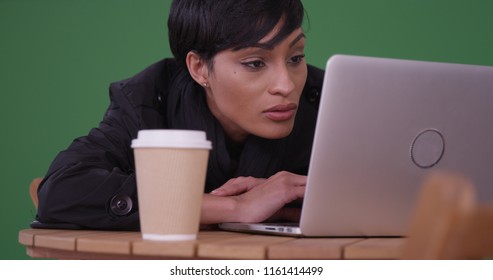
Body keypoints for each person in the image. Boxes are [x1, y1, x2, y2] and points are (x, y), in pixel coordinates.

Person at [36, 0, 324, 230]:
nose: (286, 85)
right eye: (255, 63)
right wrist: (234, 207)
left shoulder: (326, 98)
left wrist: (297, 203)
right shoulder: (147, 102)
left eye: (295, 57)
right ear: (199, 68)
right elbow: (61, 192)